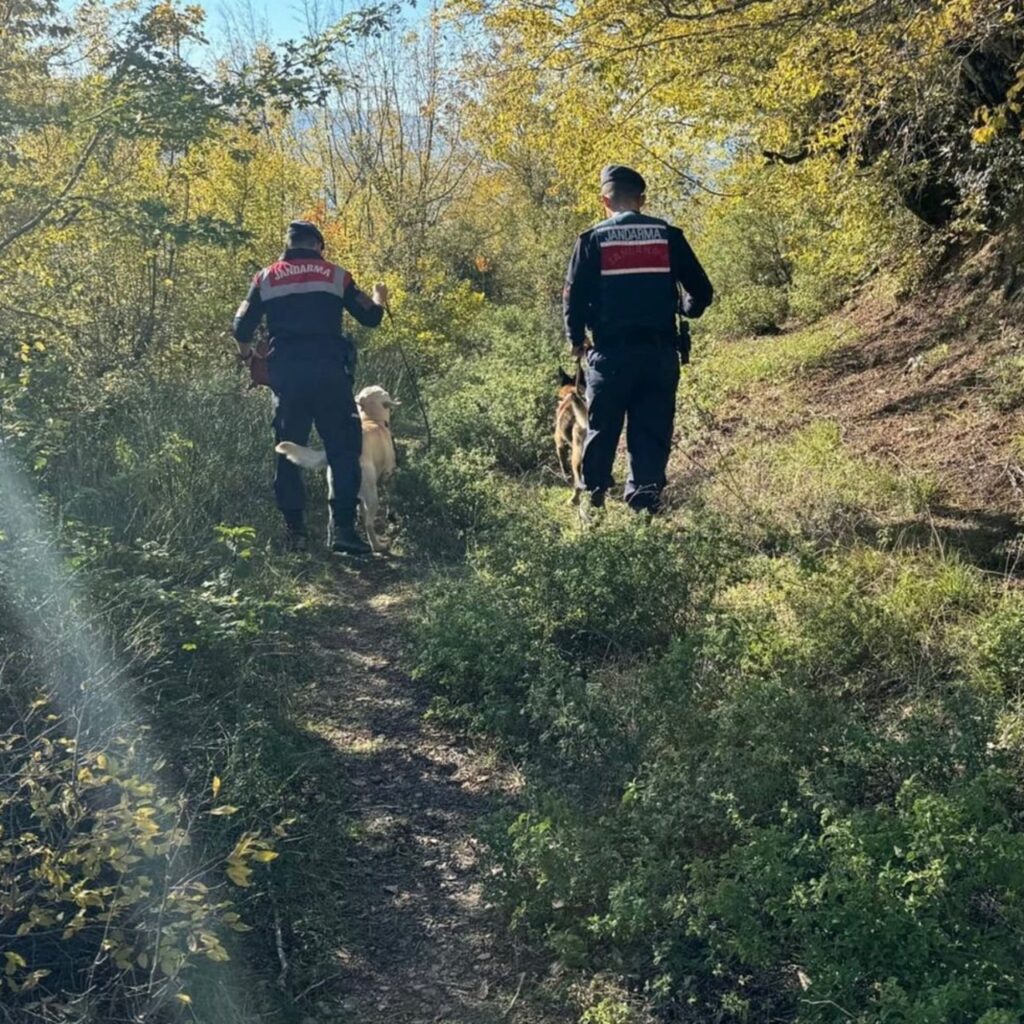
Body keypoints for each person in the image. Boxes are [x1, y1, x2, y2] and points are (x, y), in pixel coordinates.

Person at [563, 165, 713, 516]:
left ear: (605, 200)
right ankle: (644, 511)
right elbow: (702, 292)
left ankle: (594, 504)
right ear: (641, 200)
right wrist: (683, 307)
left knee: (601, 430)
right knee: (651, 433)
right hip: (659, 355)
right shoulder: (667, 235)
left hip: (609, 357)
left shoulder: (591, 240)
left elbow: (572, 296)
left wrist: (575, 338)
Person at [232, 220, 388, 555]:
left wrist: (247, 357)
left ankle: (295, 533)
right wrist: (379, 296)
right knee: (345, 450)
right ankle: (344, 532)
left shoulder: (266, 277)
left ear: (287, 244)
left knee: (288, 449)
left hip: (287, 379)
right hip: (330, 375)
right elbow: (371, 317)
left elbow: (240, 325)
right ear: (318, 246)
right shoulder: (335, 275)